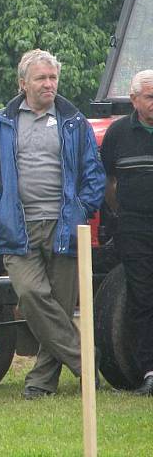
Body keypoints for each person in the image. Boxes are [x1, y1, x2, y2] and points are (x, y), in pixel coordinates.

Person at [0, 49, 105, 399]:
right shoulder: (0, 123)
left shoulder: (74, 122)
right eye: (41, 78)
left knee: (57, 308)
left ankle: (40, 383)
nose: (49, 84)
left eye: (53, 78)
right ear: (23, 83)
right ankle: (86, 363)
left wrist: (81, 208)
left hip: (65, 227)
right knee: (31, 296)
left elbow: (93, 172)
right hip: (18, 227)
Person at [100, 69, 153, 396]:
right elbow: (107, 182)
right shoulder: (118, 134)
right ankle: (148, 370)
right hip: (135, 226)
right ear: (134, 100)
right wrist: (120, 215)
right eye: (149, 97)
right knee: (143, 295)